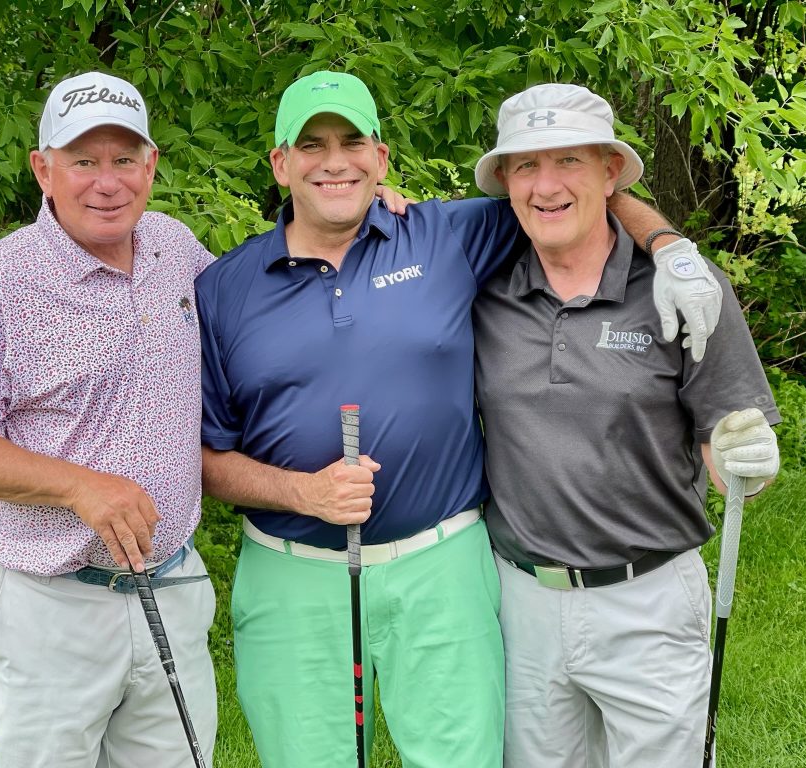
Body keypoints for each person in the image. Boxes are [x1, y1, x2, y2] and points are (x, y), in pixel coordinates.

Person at [196, 70, 724, 768]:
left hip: (441, 566)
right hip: (291, 575)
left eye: (352, 142)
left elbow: (572, 193)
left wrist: (667, 244)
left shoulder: (444, 235)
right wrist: (302, 493)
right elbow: (206, 459)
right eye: (312, 145)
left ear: (381, 158)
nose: (334, 161)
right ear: (280, 162)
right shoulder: (223, 286)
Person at [471, 83, 781, 768]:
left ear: (611, 171)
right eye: (526, 165)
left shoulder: (685, 289)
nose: (546, 185)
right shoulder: (483, 287)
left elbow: (732, 459)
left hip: (649, 601)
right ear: (506, 181)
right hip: (520, 601)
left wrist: (750, 460)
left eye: (569, 161)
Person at [0, 72, 216, 768]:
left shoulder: (175, 249)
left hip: (171, 583)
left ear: (151, 166)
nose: (106, 183)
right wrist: (81, 487)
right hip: (51, 607)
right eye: (83, 160)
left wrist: (368, 221)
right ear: (43, 169)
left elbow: (264, 298)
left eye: (123, 159)